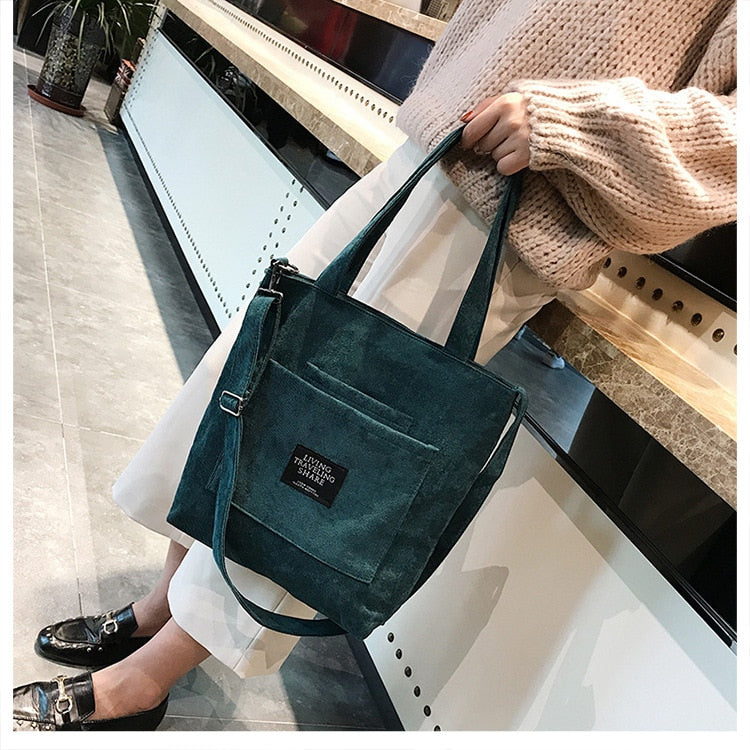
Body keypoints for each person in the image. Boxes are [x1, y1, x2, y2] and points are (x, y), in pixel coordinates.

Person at [13, 0, 736, 731]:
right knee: (251, 377)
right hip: (431, 149)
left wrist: (574, 126)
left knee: (317, 456)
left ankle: (145, 680)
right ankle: (160, 609)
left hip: (514, 203)